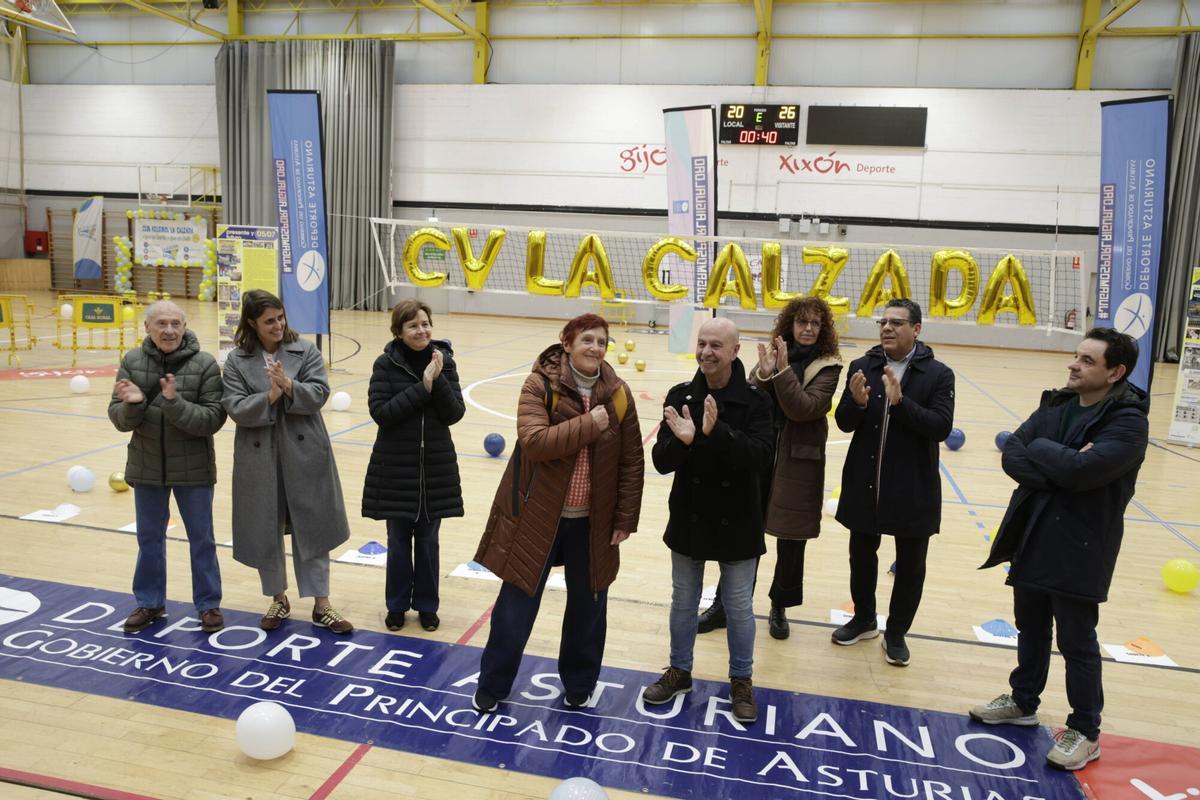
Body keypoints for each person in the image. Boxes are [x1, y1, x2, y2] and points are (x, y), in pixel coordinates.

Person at [970, 328, 1148, 771]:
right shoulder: (1057, 404)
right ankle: (1023, 700)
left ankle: (1086, 731)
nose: (1074, 365)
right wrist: (1063, 464)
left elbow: (1083, 470)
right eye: (1076, 356)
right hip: (1032, 535)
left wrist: (1046, 450)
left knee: (1076, 641)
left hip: (1081, 546)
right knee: (1029, 626)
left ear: (1115, 372)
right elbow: (1014, 450)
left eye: (1088, 361)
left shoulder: (1127, 421)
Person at [472, 313, 644, 713]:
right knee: (515, 608)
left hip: (593, 521)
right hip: (537, 517)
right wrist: (590, 423)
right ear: (566, 343)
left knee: (589, 609)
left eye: (602, 342)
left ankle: (580, 685)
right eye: (587, 340)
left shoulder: (619, 394)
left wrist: (624, 520)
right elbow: (535, 442)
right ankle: (493, 684)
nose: (596, 348)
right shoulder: (539, 384)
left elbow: (631, 461)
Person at [642, 318, 774, 723]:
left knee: (737, 606)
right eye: (701, 344)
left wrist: (715, 434)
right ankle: (679, 670)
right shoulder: (681, 395)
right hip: (690, 516)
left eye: (716, 345)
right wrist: (684, 442)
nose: (706, 352)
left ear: (735, 352)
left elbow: (761, 457)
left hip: (738, 519)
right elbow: (661, 462)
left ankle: (741, 680)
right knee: (683, 600)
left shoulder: (756, 401)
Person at [222, 290, 355, 634]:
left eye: (280, 317)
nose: (278, 325)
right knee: (264, 528)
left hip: (305, 453)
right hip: (259, 457)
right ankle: (278, 599)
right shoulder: (237, 360)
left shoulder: (306, 350)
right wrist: (269, 395)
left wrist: (290, 385)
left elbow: (320, 394)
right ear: (252, 323)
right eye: (269, 321)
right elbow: (234, 407)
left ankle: (321, 604)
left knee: (312, 528)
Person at [831, 298, 954, 666]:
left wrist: (901, 404)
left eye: (896, 323)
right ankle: (864, 618)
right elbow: (843, 422)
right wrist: (855, 403)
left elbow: (940, 427)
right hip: (864, 482)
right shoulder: (861, 366)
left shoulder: (938, 374)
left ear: (916, 329)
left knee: (911, 563)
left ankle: (897, 632)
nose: (887, 328)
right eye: (883, 321)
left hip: (912, 487)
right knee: (861, 555)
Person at [108, 301, 227, 634]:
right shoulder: (131, 361)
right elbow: (118, 418)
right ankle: (149, 603)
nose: (169, 330)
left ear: (185, 325)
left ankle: (208, 605)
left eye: (176, 323)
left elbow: (212, 420)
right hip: (147, 468)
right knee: (149, 540)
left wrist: (174, 403)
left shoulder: (205, 365)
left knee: (201, 539)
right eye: (161, 323)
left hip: (195, 471)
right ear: (147, 327)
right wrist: (133, 405)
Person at [363, 299, 465, 633]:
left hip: (434, 470)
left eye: (425, 323)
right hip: (394, 470)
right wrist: (423, 387)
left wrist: (438, 381)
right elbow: (382, 413)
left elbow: (454, 414)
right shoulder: (384, 364)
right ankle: (396, 605)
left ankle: (426, 605)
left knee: (428, 543)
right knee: (398, 543)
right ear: (399, 331)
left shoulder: (444, 362)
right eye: (413, 326)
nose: (421, 330)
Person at [749, 297, 843, 640]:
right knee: (747, 532)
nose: (807, 329)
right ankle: (729, 603)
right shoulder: (775, 355)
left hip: (799, 460)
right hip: (762, 454)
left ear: (823, 329)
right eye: (802, 322)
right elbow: (752, 397)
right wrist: (762, 372)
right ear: (790, 324)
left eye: (815, 324)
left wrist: (781, 371)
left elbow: (803, 408)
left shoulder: (829, 366)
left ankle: (779, 606)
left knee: (791, 540)